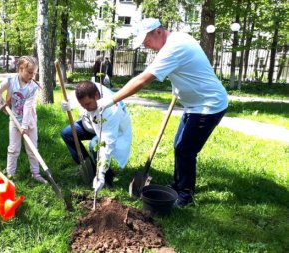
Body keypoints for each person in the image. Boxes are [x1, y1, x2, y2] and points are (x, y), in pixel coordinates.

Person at [97, 18, 228, 207]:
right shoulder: (177, 40)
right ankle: (178, 185)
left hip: (209, 105)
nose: (145, 45)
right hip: (194, 105)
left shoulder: (175, 47)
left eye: (146, 40)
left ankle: (185, 196)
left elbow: (142, 80)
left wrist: (110, 100)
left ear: (158, 31)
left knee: (185, 150)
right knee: (179, 146)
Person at [60, 81, 132, 193]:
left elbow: (106, 144)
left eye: (88, 104)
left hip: (111, 130)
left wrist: (101, 173)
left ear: (97, 96)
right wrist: (65, 104)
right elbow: (70, 99)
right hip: (91, 125)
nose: (85, 108)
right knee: (67, 134)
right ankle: (89, 170)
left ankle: (106, 178)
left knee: (95, 145)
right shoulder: (85, 91)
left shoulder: (111, 111)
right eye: (82, 105)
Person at [0, 56, 48, 184]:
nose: (32, 76)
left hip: (29, 123)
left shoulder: (33, 87)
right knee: (13, 149)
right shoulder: (10, 81)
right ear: (20, 68)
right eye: (30, 72)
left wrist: (24, 126)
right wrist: (0, 105)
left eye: (34, 73)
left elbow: (29, 107)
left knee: (32, 148)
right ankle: (10, 174)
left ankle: (36, 173)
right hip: (14, 120)